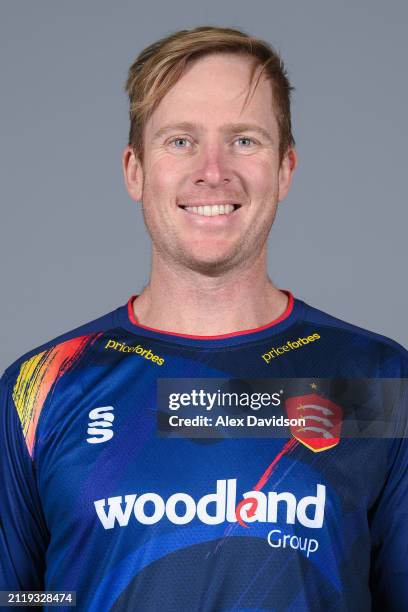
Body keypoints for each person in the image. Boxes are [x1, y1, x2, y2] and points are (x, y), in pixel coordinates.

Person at [0, 25, 407, 612]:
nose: (213, 171)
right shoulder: (43, 387)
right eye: (180, 141)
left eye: (244, 140)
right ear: (134, 170)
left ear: (286, 168)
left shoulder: (379, 383)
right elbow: (22, 600)